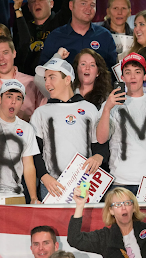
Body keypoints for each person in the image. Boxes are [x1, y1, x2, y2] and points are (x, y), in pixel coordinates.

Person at [31, 56, 107, 199]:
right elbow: (34, 151)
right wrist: (44, 177)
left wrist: (99, 156)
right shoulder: (40, 113)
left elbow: (100, 143)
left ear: (67, 80)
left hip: (84, 183)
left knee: (84, 221)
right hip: (52, 186)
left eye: (52, 77)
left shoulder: (89, 108)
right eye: (46, 78)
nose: (47, 83)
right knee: (51, 223)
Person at [97, 53, 146, 195]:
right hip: (120, 180)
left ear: (144, 76)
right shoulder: (110, 104)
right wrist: (106, 109)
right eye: (128, 72)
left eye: (137, 72)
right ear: (121, 77)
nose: (133, 76)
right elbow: (101, 138)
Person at [67, 186, 146, 258]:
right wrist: (80, 205)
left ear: (134, 207)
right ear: (111, 211)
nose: (123, 207)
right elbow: (74, 239)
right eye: (118, 204)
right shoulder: (105, 237)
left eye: (127, 203)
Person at [39, 0, 117, 79]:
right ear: (71, 6)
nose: (88, 8)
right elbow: (43, 73)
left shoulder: (105, 36)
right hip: (65, 92)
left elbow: (113, 73)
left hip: (99, 92)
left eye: (92, 5)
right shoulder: (55, 37)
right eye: (83, 3)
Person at [12, 0, 78, 76]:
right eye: (33, 0)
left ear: (51, 3)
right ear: (29, 7)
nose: (37, 3)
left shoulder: (61, 20)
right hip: (28, 82)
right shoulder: (23, 27)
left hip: (55, 79)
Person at [0, 36, 45, 122]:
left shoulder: (33, 83)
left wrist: (26, 117)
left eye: (5, 53)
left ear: (14, 53)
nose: (1, 58)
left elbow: (43, 121)